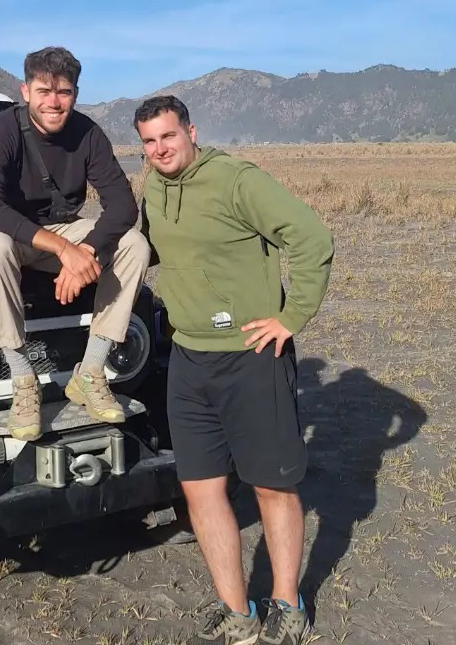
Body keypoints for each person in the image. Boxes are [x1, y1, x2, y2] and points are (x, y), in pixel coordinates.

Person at [134, 95, 333, 645]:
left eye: (168, 136)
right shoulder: (154, 188)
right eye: (148, 142)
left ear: (191, 131)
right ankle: (237, 612)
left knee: (271, 486)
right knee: (201, 490)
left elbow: (312, 237)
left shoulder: (236, 181)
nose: (160, 150)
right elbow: (151, 249)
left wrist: (291, 317)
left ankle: (288, 605)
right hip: (188, 359)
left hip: (250, 356)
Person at [0, 46, 151, 440]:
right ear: (25, 91)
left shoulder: (88, 134)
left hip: (61, 229)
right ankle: (22, 379)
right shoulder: (0, 132)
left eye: (63, 92)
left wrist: (86, 249)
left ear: (75, 94)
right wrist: (65, 250)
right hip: (0, 230)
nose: (54, 102)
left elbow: (123, 205)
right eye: (44, 91)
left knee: (134, 245)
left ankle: (91, 371)